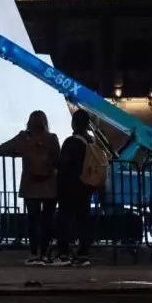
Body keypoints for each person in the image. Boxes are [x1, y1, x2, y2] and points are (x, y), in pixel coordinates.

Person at [0, 110, 61, 264]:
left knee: (33, 220)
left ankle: (33, 253)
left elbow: (1, 149)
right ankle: (44, 253)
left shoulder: (23, 137)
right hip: (50, 186)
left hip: (30, 185)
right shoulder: (52, 138)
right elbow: (58, 159)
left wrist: (19, 153)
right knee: (47, 220)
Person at [57, 109, 98, 266]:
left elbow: (65, 166)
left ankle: (64, 254)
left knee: (65, 220)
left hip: (69, 187)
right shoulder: (90, 142)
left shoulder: (71, 142)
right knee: (83, 220)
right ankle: (83, 254)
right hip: (85, 187)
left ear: (73, 123)